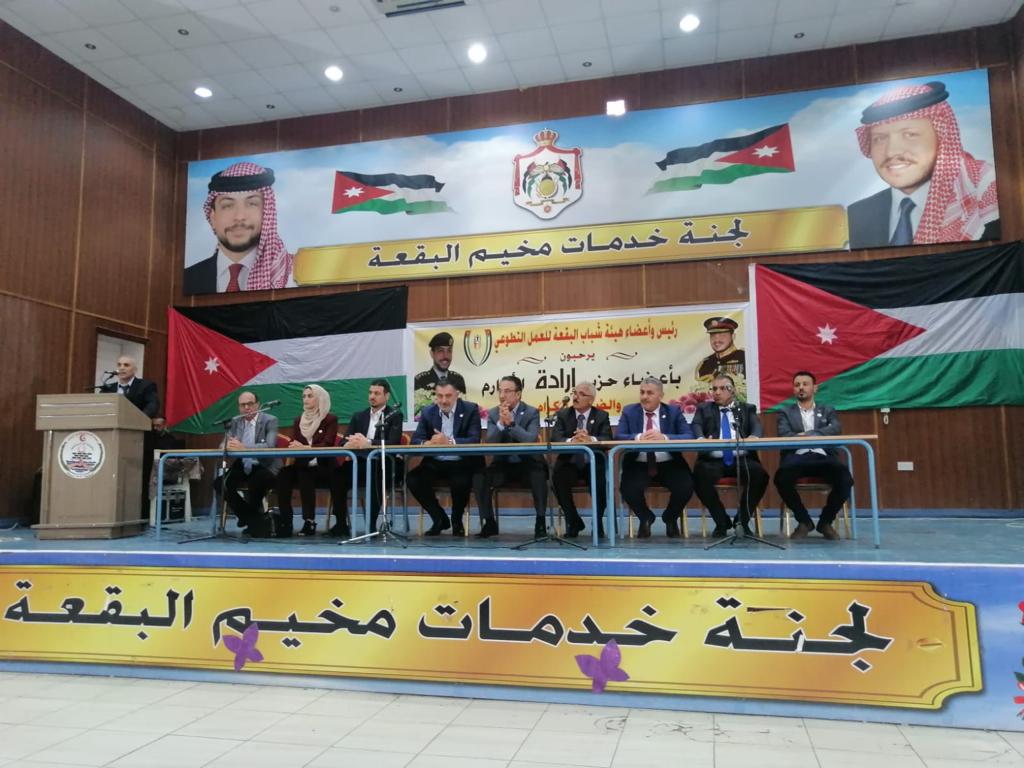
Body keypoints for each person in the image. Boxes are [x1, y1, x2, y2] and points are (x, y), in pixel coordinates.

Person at [847, 80, 1000, 249]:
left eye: (910, 134)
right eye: (879, 138)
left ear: (941, 136)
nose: (891, 152)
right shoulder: (858, 213)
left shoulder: (986, 196)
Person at [183, 161, 293, 294]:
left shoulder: (291, 275)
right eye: (228, 206)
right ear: (213, 217)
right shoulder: (186, 280)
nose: (239, 216)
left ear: (267, 212)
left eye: (252, 204)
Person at [774, 371, 854, 541]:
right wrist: (812, 435)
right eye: (797, 385)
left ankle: (825, 522)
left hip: (823, 456)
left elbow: (835, 428)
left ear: (814, 388)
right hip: (797, 456)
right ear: (793, 389)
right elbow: (784, 434)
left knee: (845, 479)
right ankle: (804, 521)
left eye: (805, 384)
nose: (801, 388)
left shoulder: (827, 409)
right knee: (781, 478)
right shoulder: (785, 412)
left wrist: (811, 434)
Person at [615, 377, 694, 539]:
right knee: (628, 489)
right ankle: (646, 517)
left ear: (660, 395)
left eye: (650, 393)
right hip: (639, 463)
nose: (644, 397)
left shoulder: (673, 411)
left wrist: (664, 438)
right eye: (642, 392)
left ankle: (670, 517)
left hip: (669, 463)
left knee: (686, 487)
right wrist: (638, 437)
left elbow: (688, 435)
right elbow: (618, 436)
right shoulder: (629, 411)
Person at [691, 374, 769, 537]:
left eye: (722, 388)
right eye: (714, 389)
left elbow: (756, 426)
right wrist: (701, 439)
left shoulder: (746, 408)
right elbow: (696, 425)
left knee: (760, 476)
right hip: (713, 460)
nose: (717, 392)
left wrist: (754, 436)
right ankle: (721, 521)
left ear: (732, 390)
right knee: (698, 477)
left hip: (742, 459)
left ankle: (742, 521)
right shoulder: (704, 409)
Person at [474, 375, 547, 539]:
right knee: (480, 477)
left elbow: (530, 439)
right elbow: (491, 442)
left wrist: (512, 424)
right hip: (503, 464)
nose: (502, 395)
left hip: (528, 463)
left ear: (518, 394)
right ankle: (489, 522)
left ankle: (540, 523)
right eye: (500, 391)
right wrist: (501, 423)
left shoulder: (531, 412)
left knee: (539, 475)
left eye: (507, 391)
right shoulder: (494, 413)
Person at [406, 381, 481, 536]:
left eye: (448, 396)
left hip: (460, 461)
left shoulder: (470, 409)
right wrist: (427, 443)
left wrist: (449, 442)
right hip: (436, 462)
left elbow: (474, 439)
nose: (444, 400)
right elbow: (416, 440)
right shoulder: (428, 412)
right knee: (413, 478)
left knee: (461, 481)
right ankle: (439, 518)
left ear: (457, 395)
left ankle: (456, 520)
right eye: (440, 396)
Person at [334, 379, 404, 537]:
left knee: (375, 476)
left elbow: (393, 442)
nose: (372, 396)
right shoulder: (359, 416)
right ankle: (340, 524)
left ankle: (370, 526)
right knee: (337, 476)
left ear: (386, 396)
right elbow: (343, 441)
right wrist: (351, 442)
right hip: (360, 462)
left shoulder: (394, 415)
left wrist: (369, 443)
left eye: (377, 393)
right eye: (370, 393)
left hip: (382, 463)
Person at [274, 384, 341, 537]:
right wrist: (295, 446)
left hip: (324, 467)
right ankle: (286, 521)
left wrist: (305, 447)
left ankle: (309, 521)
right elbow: (294, 443)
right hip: (303, 465)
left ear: (320, 398)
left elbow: (328, 444)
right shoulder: (298, 420)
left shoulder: (330, 419)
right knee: (283, 474)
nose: (306, 399)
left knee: (305, 474)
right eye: (304, 396)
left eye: (310, 396)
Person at [551, 381, 612, 539]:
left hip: (592, 463)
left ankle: (597, 523)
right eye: (575, 393)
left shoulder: (601, 416)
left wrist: (590, 439)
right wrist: (572, 440)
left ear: (590, 399)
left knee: (599, 482)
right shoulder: (564, 414)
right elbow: (555, 438)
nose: (575, 397)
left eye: (581, 394)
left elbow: (607, 438)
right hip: (569, 462)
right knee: (557, 480)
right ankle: (574, 521)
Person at [217, 392, 279, 539]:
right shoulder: (235, 421)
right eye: (242, 405)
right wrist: (227, 446)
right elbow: (223, 445)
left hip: (264, 464)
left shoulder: (270, 420)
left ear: (257, 404)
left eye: (250, 404)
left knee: (256, 481)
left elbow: (270, 446)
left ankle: (251, 520)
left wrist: (244, 447)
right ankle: (249, 517)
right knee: (220, 483)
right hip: (243, 463)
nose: (246, 408)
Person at [694, 317, 745, 383]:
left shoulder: (744, 358)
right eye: (713, 335)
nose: (716, 340)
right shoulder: (706, 364)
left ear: (733, 336)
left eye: (722, 335)